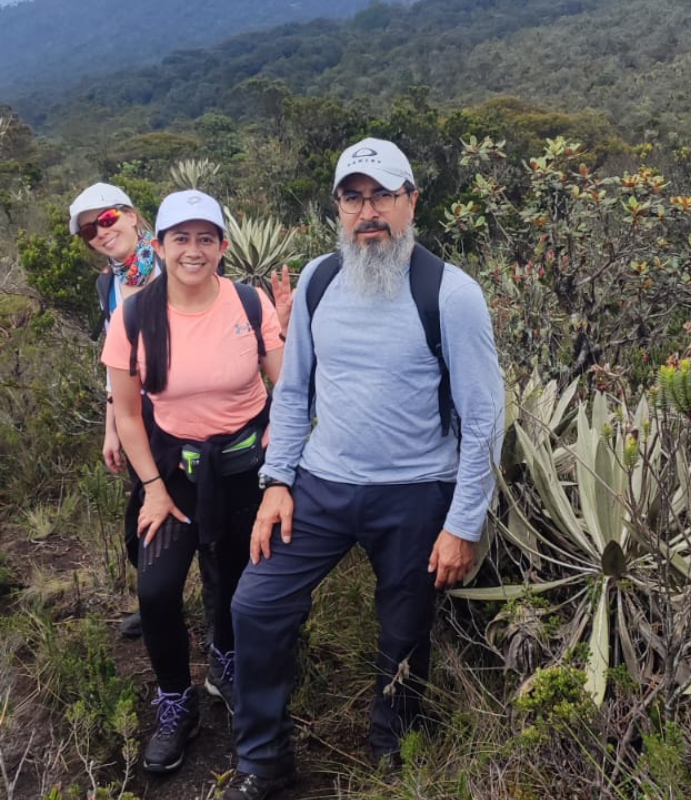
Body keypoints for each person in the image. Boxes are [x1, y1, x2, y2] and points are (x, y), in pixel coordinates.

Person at [224, 138, 504, 799]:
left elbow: (483, 420)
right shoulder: (320, 281)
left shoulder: (451, 294)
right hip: (321, 486)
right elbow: (292, 395)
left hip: (414, 493)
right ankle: (263, 758)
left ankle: (392, 749)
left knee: (403, 632)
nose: (368, 210)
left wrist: (462, 524)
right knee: (255, 605)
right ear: (338, 208)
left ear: (412, 201)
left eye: (382, 195)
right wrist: (278, 483)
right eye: (353, 197)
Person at [101, 189, 286, 774]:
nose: (193, 250)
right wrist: (152, 487)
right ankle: (175, 697)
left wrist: (279, 456)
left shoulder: (251, 305)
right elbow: (129, 413)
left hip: (242, 470)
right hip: (172, 475)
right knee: (155, 591)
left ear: (224, 246)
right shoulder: (133, 316)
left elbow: (288, 387)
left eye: (207, 238)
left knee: (234, 583)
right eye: (181, 237)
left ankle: (225, 663)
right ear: (159, 245)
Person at [70, 182, 162, 638]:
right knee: (142, 516)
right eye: (89, 231)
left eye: (106, 220)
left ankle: (219, 623)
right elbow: (115, 364)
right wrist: (112, 428)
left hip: (189, 411)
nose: (101, 234)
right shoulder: (109, 283)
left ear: (130, 215)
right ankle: (158, 601)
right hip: (135, 414)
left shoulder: (174, 263)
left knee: (207, 521)